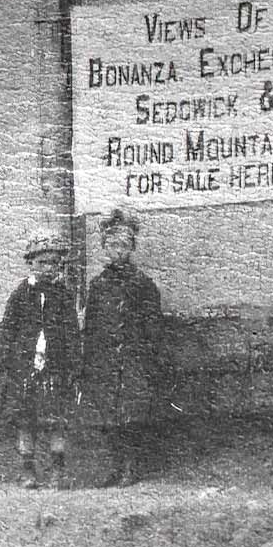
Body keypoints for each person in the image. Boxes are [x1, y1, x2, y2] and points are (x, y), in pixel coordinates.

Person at [81, 209, 164, 487]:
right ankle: (115, 465)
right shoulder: (98, 286)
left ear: (132, 248)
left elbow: (153, 326)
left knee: (132, 414)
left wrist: (148, 356)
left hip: (133, 359)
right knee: (109, 415)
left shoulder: (143, 285)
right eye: (113, 245)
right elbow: (91, 327)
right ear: (104, 247)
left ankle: (131, 466)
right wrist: (90, 360)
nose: (118, 251)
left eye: (124, 245)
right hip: (104, 361)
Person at [0, 226, 81, 489]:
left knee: (57, 421)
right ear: (31, 263)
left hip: (55, 367)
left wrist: (75, 363)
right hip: (25, 367)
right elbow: (9, 326)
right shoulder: (21, 294)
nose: (48, 268)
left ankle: (57, 470)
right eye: (42, 263)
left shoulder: (64, 295)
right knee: (25, 420)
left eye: (54, 263)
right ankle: (27, 469)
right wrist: (3, 356)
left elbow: (71, 331)